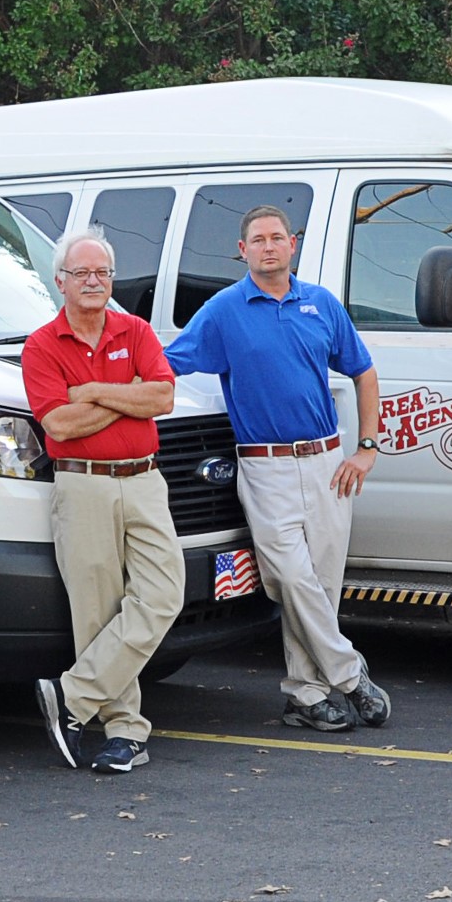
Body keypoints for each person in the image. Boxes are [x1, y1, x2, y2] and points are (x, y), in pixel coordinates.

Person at [164, 205, 391, 733]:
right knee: (293, 577)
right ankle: (350, 674)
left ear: (292, 245)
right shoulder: (222, 311)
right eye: (257, 239)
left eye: (276, 238)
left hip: (329, 464)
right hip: (264, 467)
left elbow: (365, 372)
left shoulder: (321, 305)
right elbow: (168, 364)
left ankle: (307, 697)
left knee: (321, 585)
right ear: (242, 251)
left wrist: (367, 447)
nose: (268, 246)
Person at [23, 233, 181, 774]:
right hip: (82, 483)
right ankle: (125, 733)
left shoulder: (134, 329)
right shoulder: (42, 345)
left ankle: (71, 697)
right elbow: (59, 425)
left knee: (163, 595)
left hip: (144, 480)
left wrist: (89, 390)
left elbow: (163, 396)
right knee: (96, 612)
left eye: (104, 273)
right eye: (82, 272)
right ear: (60, 280)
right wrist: (125, 392)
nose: (94, 281)